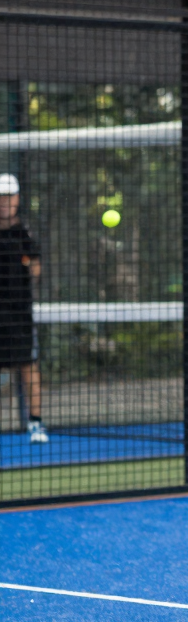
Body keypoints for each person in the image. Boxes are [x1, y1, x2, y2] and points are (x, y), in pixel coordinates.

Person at [0, 173, 47, 443]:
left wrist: (29, 268)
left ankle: (36, 424)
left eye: (9, 196)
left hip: (19, 314)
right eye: (1, 197)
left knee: (29, 367)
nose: (5, 202)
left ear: (17, 199)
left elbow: (36, 269)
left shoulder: (24, 233)